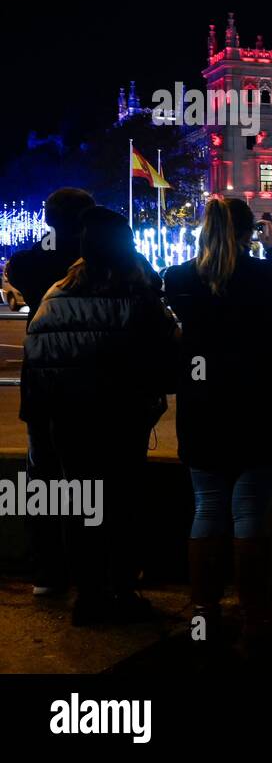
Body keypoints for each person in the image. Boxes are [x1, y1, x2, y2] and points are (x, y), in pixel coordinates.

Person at [163, 198, 272, 649]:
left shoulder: (178, 278)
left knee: (207, 505)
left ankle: (204, 613)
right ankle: (255, 616)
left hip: (204, 401)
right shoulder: (264, 273)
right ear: (252, 230)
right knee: (250, 506)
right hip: (259, 399)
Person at [20, 206, 179, 625]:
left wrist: (43, 418)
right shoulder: (137, 293)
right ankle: (122, 591)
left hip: (68, 423)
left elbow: (35, 363)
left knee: (82, 507)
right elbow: (165, 357)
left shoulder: (55, 296)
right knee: (124, 506)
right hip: (122, 419)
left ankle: (88, 597)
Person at [6, 188, 97, 597]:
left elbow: (18, 267)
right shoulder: (103, 263)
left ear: (48, 220)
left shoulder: (34, 262)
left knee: (44, 478)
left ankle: (47, 571)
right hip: (96, 380)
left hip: (43, 381)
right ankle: (92, 570)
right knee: (94, 476)